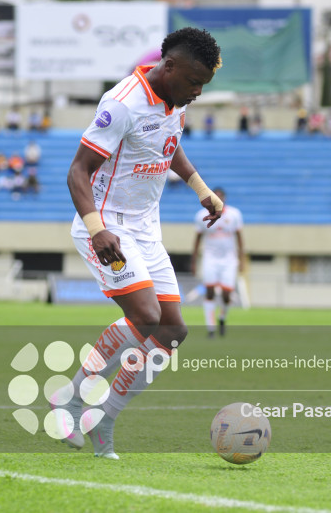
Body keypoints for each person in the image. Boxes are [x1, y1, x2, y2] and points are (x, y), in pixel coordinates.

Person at [61, 27, 222, 459]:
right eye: (193, 82)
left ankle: (104, 422)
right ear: (169, 67)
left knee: (172, 331)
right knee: (146, 315)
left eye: (203, 85)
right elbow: (78, 172)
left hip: (146, 230)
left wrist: (201, 188)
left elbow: (168, 148)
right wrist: (98, 230)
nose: (198, 92)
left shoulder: (175, 99)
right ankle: (73, 400)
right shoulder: (123, 102)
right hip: (107, 226)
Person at [191, 187, 244, 339]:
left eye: (221, 197)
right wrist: (194, 260)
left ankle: (222, 317)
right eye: (215, 196)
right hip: (210, 258)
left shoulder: (234, 214)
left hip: (229, 259)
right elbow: (197, 239)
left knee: (227, 294)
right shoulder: (201, 215)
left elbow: (239, 236)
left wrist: (242, 259)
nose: (218, 199)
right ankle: (211, 328)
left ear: (225, 199)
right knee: (210, 291)